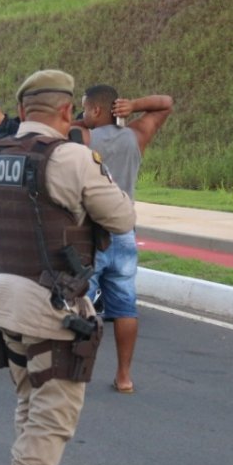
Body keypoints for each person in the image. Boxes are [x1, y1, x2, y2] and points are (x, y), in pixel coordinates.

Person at [0, 69, 135, 465]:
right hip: (53, 305)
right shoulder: (74, 157)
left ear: (22, 112)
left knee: (30, 402)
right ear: (66, 112)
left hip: (3, 299)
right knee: (53, 416)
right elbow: (122, 218)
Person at [79, 84, 173, 393]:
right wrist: (134, 105)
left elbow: (57, 126)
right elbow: (164, 104)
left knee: (79, 304)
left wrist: (80, 121)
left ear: (95, 110)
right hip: (124, 231)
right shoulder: (137, 135)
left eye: (84, 108)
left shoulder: (83, 139)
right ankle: (123, 376)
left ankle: (77, 371)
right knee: (125, 306)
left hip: (89, 231)